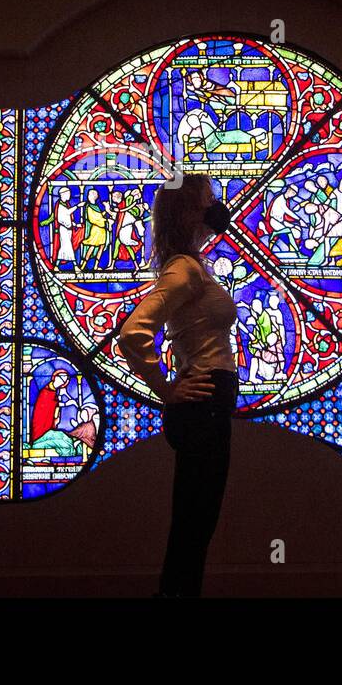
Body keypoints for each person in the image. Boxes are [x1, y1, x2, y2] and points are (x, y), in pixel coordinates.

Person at [117, 173, 238, 597]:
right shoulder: (184, 270)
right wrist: (166, 390)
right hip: (203, 402)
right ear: (190, 211)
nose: (216, 206)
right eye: (208, 199)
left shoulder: (190, 265)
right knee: (195, 522)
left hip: (207, 403)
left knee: (195, 521)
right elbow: (133, 331)